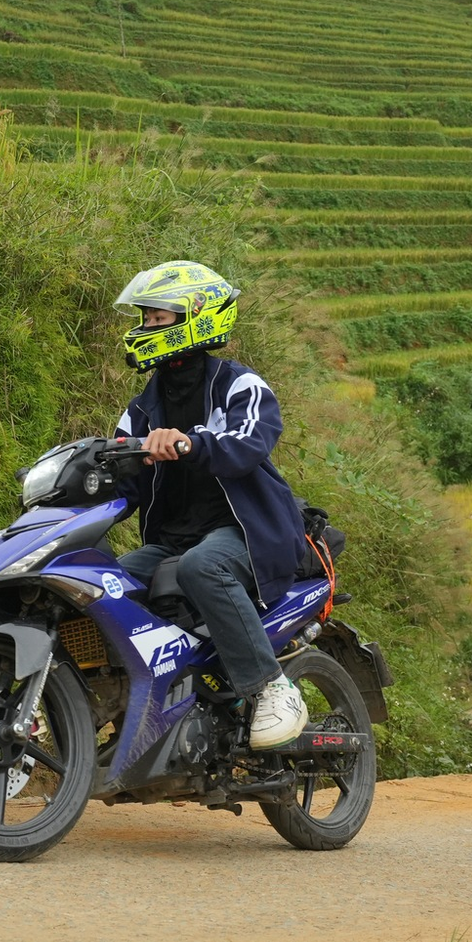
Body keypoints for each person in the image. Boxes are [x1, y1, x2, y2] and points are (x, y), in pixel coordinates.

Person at [110, 261, 309, 750]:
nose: (148, 330)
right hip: (171, 541)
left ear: (198, 318)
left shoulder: (241, 387)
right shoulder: (142, 408)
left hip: (245, 535)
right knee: (102, 584)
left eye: (159, 320)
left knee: (203, 567)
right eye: (147, 321)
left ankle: (269, 687)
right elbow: (121, 477)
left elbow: (247, 444)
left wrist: (189, 444)